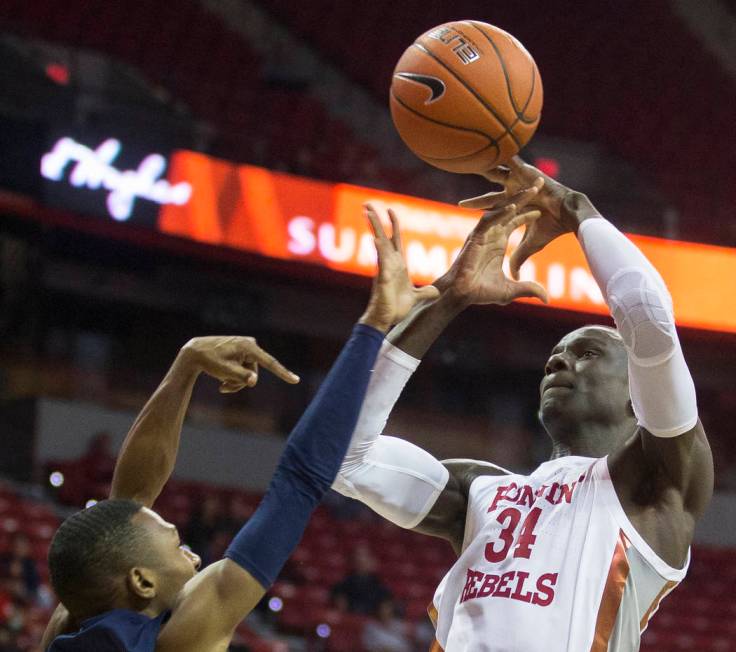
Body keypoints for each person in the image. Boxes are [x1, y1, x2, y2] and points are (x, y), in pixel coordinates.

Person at [331, 158, 714, 651]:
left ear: (634, 391)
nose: (558, 364)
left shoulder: (657, 482)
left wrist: (575, 209)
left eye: (588, 353)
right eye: (555, 357)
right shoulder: (479, 491)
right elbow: (342, 456)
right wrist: (448, 300)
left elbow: (648, 317)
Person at [40, 205, 439, 651]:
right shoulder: (182, 638)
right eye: (177, 546)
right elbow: (302, 478)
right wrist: (375, 323)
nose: (191, 553)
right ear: (142, 582)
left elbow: (127, 507)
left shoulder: (71, 624)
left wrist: (186, 365)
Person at [331, 544, 392, 615]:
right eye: (359, 559)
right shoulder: (344, 583)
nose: (362, 561)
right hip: (352, 616)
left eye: (365, 559)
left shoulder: (379, 584)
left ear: (372, 562)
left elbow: (385, 604)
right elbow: (341, 604)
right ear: (354, 562)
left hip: (373, 618)